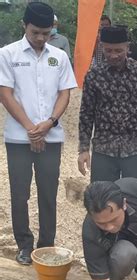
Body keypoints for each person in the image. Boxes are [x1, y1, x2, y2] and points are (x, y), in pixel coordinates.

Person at [0, 2, 77, 265]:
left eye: (46, 33)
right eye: (36, 33)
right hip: (19, 138)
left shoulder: (59, 56)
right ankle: (24, 244)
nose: (41, 38)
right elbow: (5, 94)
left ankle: (46, 246)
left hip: (51, 137)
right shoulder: (8, 54)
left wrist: (50, 123)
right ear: (24, 26)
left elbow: (64, 92)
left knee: (48, 192)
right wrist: (32, 129)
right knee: (20, 193)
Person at [78, 26, 137, 183]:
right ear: (101, 47)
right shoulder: (94, 75)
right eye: (108, 50)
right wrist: (83, 149)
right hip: (104, 148)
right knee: (103, 201)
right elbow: (86, 114)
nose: (113, 55)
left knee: (135, 199)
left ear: (127, 48)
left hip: (136, 148)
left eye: (118, 50)